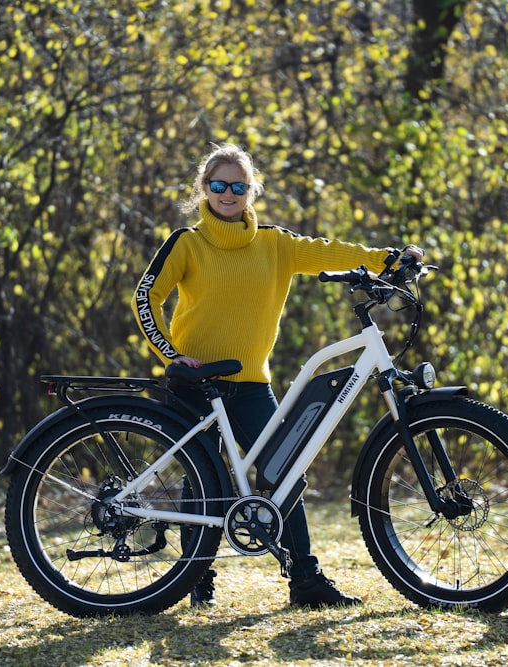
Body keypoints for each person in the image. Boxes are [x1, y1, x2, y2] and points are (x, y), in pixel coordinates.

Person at [131, 143, 423, 608]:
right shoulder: (186, 241)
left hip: (249, 384)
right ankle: (194, 578)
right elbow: (146, 297)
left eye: (239, 186)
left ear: (252, 192)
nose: (229, 194)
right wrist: (170, 354)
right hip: (195, 380)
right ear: (204, 189)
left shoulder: (275, 243)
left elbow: (331, 252)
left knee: (285, 474)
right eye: (219, 185)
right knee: (200, 481)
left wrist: (387, 259)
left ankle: (305, 581)